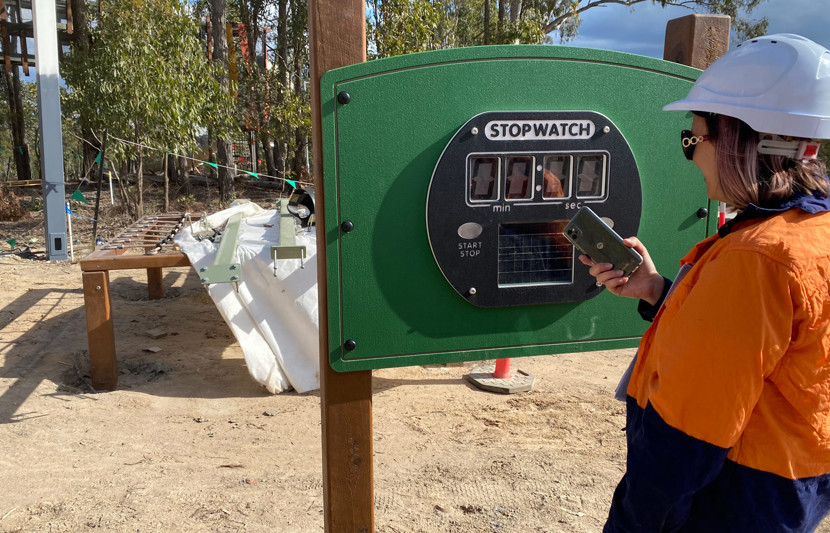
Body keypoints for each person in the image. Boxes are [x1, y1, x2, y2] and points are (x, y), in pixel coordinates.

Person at [580, 34, 830, 532]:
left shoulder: (756, 258)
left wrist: (635, 521)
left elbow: (688, 438)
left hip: (730, 501)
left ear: (739, 140)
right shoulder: (808, 235)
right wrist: (655, 290)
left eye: (692, 139)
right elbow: (762, 350)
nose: (691, 156)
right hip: (791, 488)